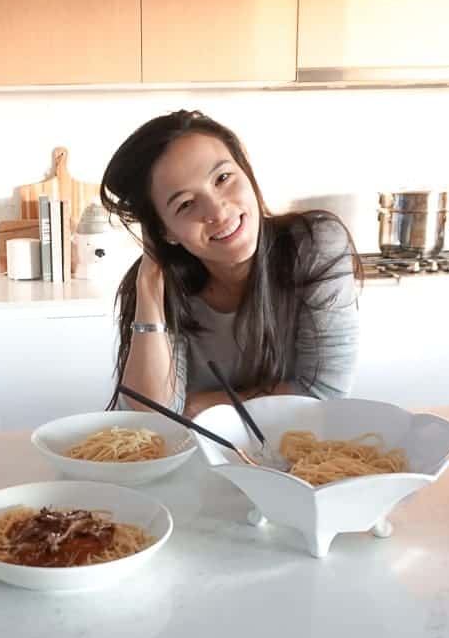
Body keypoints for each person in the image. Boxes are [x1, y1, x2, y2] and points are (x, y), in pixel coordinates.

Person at [100, 109, 361, 418]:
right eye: (185, 204)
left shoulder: (314, 245)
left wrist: (200, 404)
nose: (218, 211)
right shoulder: (161, 285)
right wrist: (148, 286)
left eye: (223, 178)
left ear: (246, 172)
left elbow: (326, 391)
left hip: (296, 455)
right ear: (164, 231)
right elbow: (149, 421)